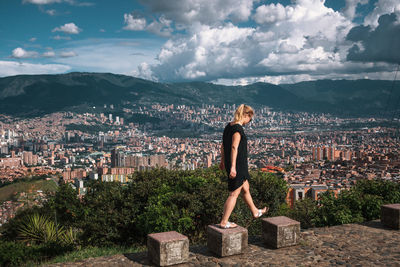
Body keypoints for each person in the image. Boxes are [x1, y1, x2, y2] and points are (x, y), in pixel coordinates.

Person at [219, 104, 268, 229]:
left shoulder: (228, 127)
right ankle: (224, 221)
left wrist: (223, 161)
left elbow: (223, 145)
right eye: (250, 119)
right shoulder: (237, 129)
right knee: (233, 193)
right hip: (238, 165)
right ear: (246, 115)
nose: (249, 122)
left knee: (245, 187)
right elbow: (234, 147)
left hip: (234, 163)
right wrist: (233, 167)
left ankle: (255, 212)